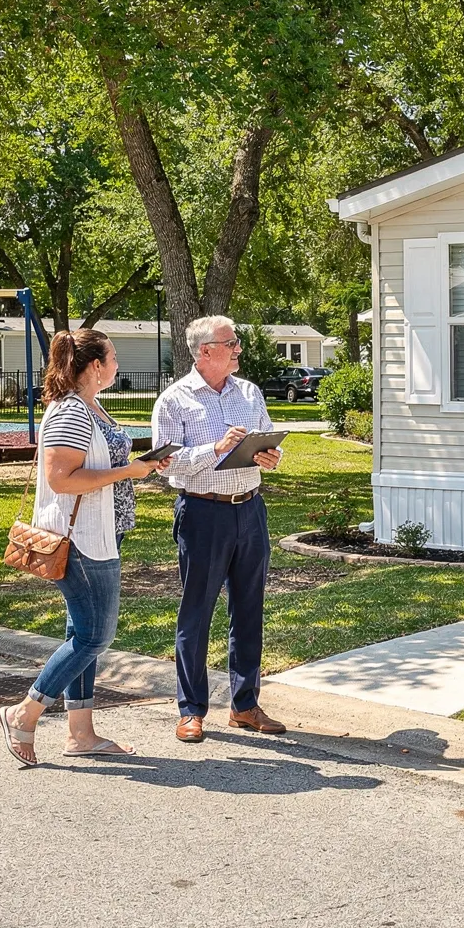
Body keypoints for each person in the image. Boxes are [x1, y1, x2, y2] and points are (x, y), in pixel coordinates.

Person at [0, 329, 162, 767]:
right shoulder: (71, 411)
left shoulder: (90, 405)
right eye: (113, 358)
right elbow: (61, 479)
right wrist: (128, 471)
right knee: (95, 636)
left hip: (104, 531)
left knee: (81, 633)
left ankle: (81, 734)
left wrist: (141, 466)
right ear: (94, 366)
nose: (117, 365)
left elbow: (100, 463)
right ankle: (24, 712)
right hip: (82, 539)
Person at [151, 315, 286, 743]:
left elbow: (266, 440)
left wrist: (268, 456)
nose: (239, 349)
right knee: (197, 611)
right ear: (205, 350)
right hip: (203, 513)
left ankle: (245, 705)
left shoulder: (249, 392)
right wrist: (217, 447)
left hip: (250, 509)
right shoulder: (174, 400)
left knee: (249, 611)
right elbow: (166, 464)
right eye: (232, 343)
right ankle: (191, 709)